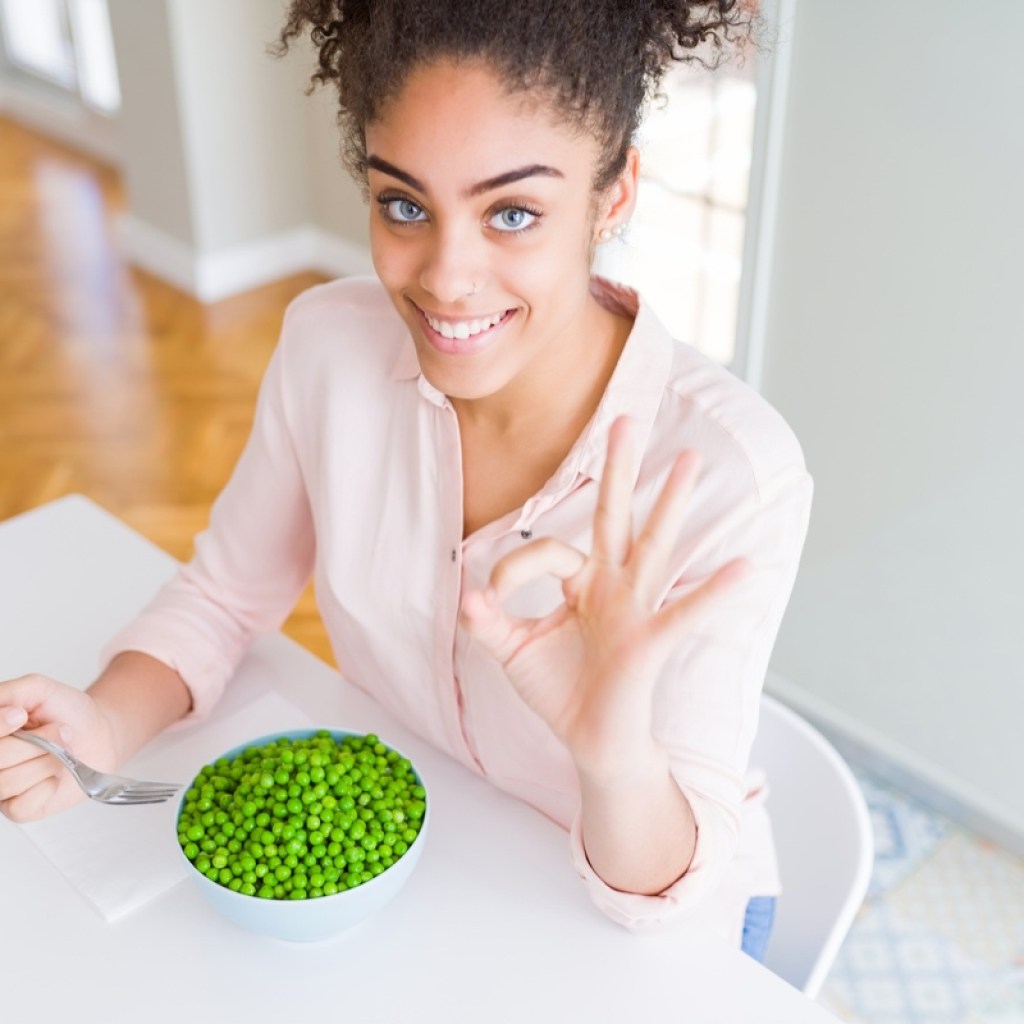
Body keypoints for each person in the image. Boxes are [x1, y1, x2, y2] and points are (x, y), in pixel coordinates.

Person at [0, 0, 811, 959]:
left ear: (614, 193)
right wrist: (102, 723)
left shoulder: (728, 474)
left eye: (513, 213)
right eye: (404, 205)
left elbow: (662, 893)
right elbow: (223, 597)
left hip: (651, 924)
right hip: (427, 876)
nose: (447, 278)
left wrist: (614, 753)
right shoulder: (327, 348)